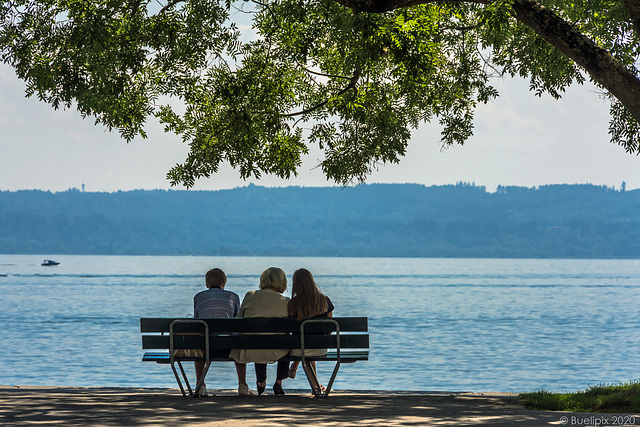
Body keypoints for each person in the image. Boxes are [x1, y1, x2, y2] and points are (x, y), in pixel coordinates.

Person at [191, 268, 253, 396]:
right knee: (239, 341)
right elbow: (238, 322)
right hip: (229, 346)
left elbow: (196, 322)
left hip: (206, 347)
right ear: (224, 282)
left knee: (199, 342)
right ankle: (243, 385)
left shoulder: (198, 297)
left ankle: (200, 385)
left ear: (207, 284)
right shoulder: (233, 296)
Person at [229, 267, 290, 395]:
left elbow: (238, 320)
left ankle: (261, 382)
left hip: (249, 347)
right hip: (276, 349)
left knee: (257, 337)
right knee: (287, 340)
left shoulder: (250, 295)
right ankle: (279, 382)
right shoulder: (285, 302)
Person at [287, 268, 334, 392]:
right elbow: (330, 328)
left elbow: (291, 330)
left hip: (297, 350)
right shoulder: (324, 301)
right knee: (310, 345)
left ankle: (314, 384)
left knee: (304, 344)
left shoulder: (292, 304)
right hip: (319, 348)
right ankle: (316, 386)